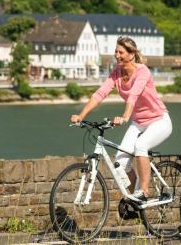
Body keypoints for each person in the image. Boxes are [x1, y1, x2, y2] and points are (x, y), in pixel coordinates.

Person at [70, 36, 172, 202]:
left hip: (159, 120)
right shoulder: (116, 74)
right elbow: (99, 94)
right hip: (139, 123)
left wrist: (125, 116)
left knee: (141, 146)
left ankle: (144, 190)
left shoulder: (142, 71)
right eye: (115, 52)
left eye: (121, 52)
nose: (117, 55)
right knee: (120, 164)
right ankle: (134, 200)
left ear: (132, 55)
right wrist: (81, 115)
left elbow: (134, 94)